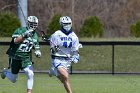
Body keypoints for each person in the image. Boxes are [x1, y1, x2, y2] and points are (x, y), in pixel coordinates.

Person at [1, 16, 41, 93]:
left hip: (26, 59)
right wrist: (24, 35)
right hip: (15, 57)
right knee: (13, 79)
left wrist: (38, 52)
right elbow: (15, 41)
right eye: (32, 24)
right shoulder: (20, 30)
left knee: (30, 74)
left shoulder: (35, 35)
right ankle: (5, 72)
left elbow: (36, 47)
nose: (33, 25)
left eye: (35, 24)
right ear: (28, 23)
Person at [48, 16, 82, 93]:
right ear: (61, 24)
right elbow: (52, 50)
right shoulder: (56, 34)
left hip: (67, 60)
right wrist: (55, 48)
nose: (67, 25)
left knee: (64, 79)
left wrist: (76, 56)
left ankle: (54, 71)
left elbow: (75, 50)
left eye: (69, 23)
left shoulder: (74, 36)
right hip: (57, 59)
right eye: (65, 24)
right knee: (66, 76)